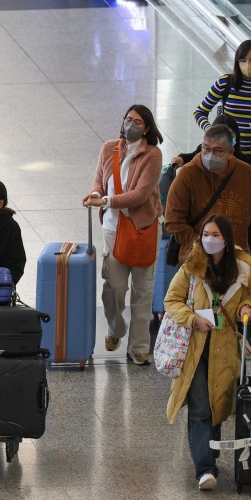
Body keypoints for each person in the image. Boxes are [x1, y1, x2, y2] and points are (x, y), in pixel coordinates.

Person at [164, 216, 251, 490]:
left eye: (215, 234)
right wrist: (193, 319)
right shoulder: (192, 268)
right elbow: (171, 300)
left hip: (225, 349)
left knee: (218, 404)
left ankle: (210, 452)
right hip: (195, 349)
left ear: (226, 239)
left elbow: (246, 300)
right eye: (205, 233)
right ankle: (204, 469)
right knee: (200, 409)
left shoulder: (241, 270)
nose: (208, 238)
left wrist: (246, 309)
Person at [83, 105, 163, 365]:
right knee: (114, 289)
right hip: (112, 231)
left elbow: (140, 194)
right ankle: (116, 329)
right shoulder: (109, 148)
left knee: (143, 291)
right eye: (127, 119)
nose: (130, 124)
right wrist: (97, 194)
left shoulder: (153, 155)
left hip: (142, 230)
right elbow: (98, 179)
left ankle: (139, 347)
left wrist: (106, 200)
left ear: (147, 128)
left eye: (137, 121)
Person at [194, 40, 251, 263]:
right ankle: (227, 256)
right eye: (243, 60)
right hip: (229, 156)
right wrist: (214, 131)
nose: (247, 65)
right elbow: (200, 111)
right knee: (232, 204)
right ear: (237, 61)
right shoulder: (226, 83)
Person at [165, 123, 251, 262]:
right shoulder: (187, 174)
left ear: (230, 153)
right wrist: (202, 247)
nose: (210, 155)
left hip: (237, 260)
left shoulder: (247, 173)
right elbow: (173, 221)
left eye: (217, 151)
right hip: (198, 261)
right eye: (206, 149)